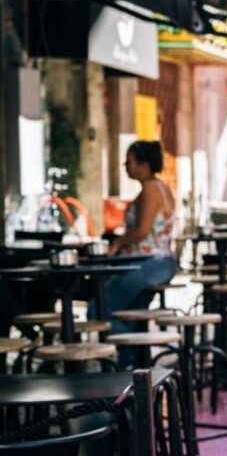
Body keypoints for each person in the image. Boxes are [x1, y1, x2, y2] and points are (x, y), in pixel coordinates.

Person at [99, 140, 178, 334]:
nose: (126, 167)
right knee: (129, 314)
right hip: (159, 262)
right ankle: (132, 359)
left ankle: (127, 356)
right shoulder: (161, 187)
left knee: (98, 311)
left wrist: (117, 243)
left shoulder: (151, 189)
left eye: (129, 162)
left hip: (149, 263)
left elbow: (142, 230)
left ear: (144, 165)